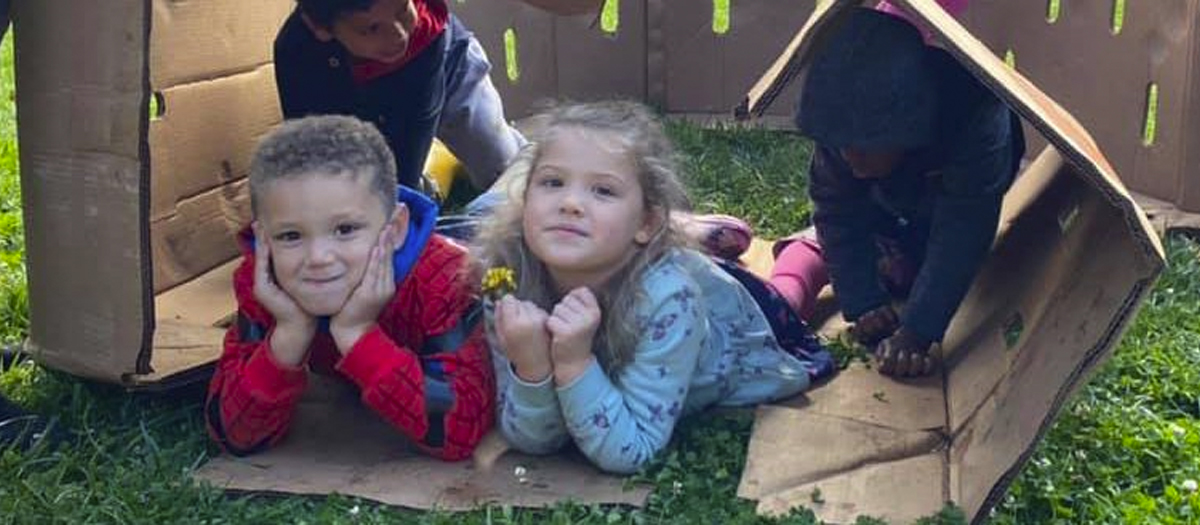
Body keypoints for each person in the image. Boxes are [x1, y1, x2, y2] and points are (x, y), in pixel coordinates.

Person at [471, 101, 834, 474]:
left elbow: (632, 448)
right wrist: (532, 366)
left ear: (646, 222)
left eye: (603, 191)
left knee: (787, 297)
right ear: (525, 197)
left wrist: (574, 362)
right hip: (662, 264)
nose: (570, 203)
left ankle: (808, 251)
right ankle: (699, 233)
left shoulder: (671, 300)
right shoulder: (507, 281)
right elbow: (534, 440)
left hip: (735, 324)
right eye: (552, 182)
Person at [205, 115, 493, 461]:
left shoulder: (448, 278)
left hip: (476, 239)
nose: (318, 258)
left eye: (345, 230)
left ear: (397, 227)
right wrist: (289, 335)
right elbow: (233, 432)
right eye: (290, 236)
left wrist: (358, 334)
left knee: (502, 208)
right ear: (263, 239)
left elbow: (461, 430)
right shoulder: (264, 280)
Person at [794, 7, 1024, 378]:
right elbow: (836, 210)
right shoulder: (842, 134)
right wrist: (862, 300)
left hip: (953, 186)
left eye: (864, 147)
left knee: (929, 260)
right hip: (891, 192)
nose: (851, 157)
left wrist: (917, 333)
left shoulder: (976, 118)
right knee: (878, 248)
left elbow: (962, 233)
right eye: (841, 145)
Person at [273, 0, 525, 196]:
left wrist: (400, 193)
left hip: (447, 70)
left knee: (502, 167)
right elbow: (307, 146)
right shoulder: (296, 52)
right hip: (357, 98)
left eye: (404, 10)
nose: (398, 35)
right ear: (321, 28)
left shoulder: (423, 31)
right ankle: (433, 174)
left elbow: (414, 131)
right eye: (371, 28)